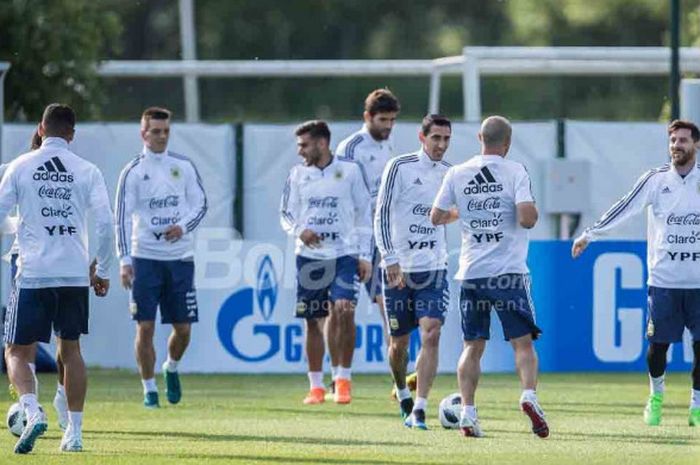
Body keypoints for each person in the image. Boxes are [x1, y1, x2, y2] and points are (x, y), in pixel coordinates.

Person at [0, 103, 114, 453]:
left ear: (39, 129)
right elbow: (106, 225)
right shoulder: (87, 169)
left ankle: (32, 410)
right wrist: (104, 270)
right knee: (71, 350)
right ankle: (75, 434)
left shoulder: (20, 165)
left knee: (16, 350)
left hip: (34, 271)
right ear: (71, 135)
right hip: (73, 273)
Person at [572, 119, 700, 427]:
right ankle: (656, 396)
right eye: (673, 141)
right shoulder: (656, 181)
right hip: (664, 281)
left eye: (683, 140)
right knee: (658, 347)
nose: (676, 146)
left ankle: (696, 404)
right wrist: (591, 233)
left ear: (696, 145)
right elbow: (624, 206)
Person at [431, 115, 548, 439]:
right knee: (522, 344)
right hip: (507, 273)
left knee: (472, 346)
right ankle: (529, 395)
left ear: (480, 139)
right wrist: (528, 210)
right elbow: (526, 219)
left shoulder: (457, 172)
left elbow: (436, 216)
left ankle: (468, 412)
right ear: (506, 144)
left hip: (471, 273)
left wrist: (465, 212)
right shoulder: (515, 171)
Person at [115, 107, 208, 408]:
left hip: (180, 258)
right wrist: (125, 260)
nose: (162, 136)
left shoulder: (183, 166)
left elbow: (201, 205)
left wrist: (182, 227)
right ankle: (149, 388)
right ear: (143, 133)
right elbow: (122, 218)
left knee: (183, 329)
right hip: (145, 258)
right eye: (156, 131)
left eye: (166, 130)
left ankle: (171, 366)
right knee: (145, 326)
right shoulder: (132, 171)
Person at [281, 120, 372, 405]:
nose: (300, 152)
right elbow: (285, 214)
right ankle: (316, 386)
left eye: (304, 145)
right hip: (309, 257)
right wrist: (300, 231)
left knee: (344, 310)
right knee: (312, 321)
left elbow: (364, 213)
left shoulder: (350, 171)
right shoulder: (297, 175)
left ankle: (342, 379)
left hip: (344, 254)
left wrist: (365, 255)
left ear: (322, 143)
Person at [374, 114, 453, 428]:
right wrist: (390, 258)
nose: (441, 145)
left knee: (431, 332)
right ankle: (401, 390)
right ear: (422, 138)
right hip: (399, 270)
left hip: (434, 268)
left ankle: (419, 408)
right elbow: (381, 214)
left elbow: (448, 215)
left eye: (446, 139)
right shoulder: (399, 167)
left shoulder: (451, 173)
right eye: (436, 138)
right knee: (399, 343)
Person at [2, 129, 68, 431]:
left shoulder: (70, 173)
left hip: (43, 262)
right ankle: (35, 407)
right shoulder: (16, 170)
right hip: (36, 259)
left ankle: (50, 403)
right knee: (35, 343)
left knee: (30, 344)